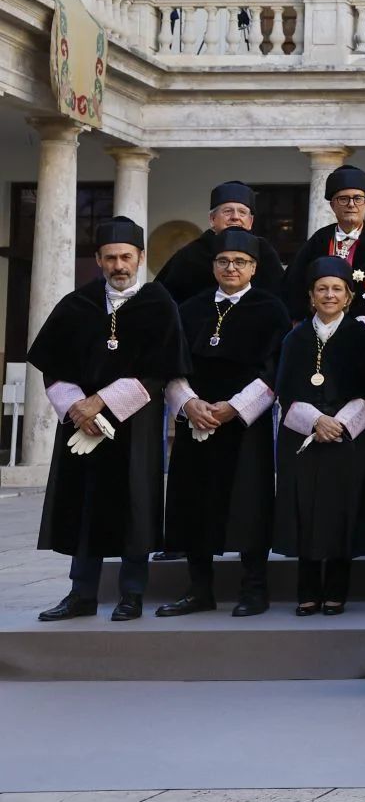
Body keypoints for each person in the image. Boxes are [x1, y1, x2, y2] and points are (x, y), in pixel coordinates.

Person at [33, 217, 188, 623]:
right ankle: (81, 593)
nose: (119, 265)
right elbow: (52, 367)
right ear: (98, 260)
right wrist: (76, 408)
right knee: (84, 506)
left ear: (140, 257)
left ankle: (132, 593)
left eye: (126, 257)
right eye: (110, 258)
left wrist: (101, 402)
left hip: (134, 423)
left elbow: (160, 371)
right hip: (82, 426)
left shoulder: (158, 304)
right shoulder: (76, 304)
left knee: (135, 506)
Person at [157, 229, 290, 618]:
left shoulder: (270, 309)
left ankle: (254, 588)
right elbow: (171, 366)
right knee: (192, 502)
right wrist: (190, 403)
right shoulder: (190, 309)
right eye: (223, 261)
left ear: (254, 268)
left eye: (240, 262)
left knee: (250, 503)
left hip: (245, 424)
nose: (231, 268)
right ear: (213, 266)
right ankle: (199, 589)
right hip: (196, 422)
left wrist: (234, 408)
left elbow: (274, 371)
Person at [274, 256, 365, 616]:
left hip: (348, 436)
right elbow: (284, 391)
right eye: (322, 289)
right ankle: (307, 590)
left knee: (342, 511)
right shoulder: (295, 337)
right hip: (303, 437)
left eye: (337, 289)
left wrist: (339, 422)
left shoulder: (361, 335)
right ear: (310, 296)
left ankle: (336, 591)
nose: (329, 294)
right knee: (305, 511)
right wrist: (316, 420)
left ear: (349, 296)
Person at [282, 165, 365, 320]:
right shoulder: (318, 241)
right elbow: (293, 285)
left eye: (357, 198)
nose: (351, 204)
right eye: (343, 199)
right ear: (332, 205)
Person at [154, 181, 287, 302]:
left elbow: (282, 298)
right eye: (228, 211)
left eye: (242, 212)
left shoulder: (264, 252)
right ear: (212, 219)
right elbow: (163, 301)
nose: (235, 217)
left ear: (250, 222)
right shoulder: (191, 255)